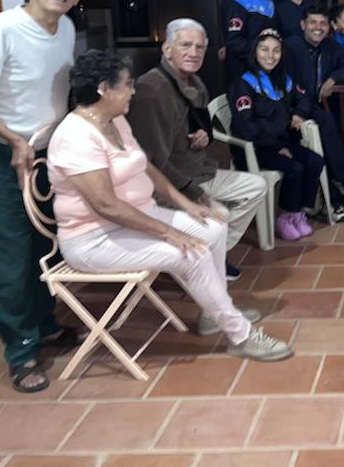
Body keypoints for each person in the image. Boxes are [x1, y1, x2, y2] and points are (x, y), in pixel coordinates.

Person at [48, 50, 291, 362]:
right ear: (102, 89)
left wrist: (186, 205)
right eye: (127, 85)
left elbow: (145, 166)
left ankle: (212, 313)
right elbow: (105, 205)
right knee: (192, 252)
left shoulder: (114, 119)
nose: (133, 91)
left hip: (137, 217)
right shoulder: (75, 137)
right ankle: (239, 333)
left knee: (213, 225)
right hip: (94, 237)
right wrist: (169, 233)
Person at [0, 0, 85, 392]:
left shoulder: (66, 28)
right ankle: (21, 351)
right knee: (8, 253)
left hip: (41, 152)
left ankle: (44, 324)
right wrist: (14, 138)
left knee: (43, 241)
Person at [128, 18, 267, 281]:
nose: (194, 52)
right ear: (167, 49)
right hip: (173, 183)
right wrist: (192, 192)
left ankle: (211, 252)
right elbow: (152, 161)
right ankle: (204, 262)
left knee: (256, 186)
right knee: (221, 216)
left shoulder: (194, 83)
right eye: (186, 45)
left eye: (200, 47)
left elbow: (197, 124)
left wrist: (204, 136)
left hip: (200, 169)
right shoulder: (152, 90)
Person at [229, 29, 325, 241]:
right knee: (295, 167)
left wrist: (299, 114)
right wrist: (275, 146)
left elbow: (304, 98)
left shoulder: (282, 79)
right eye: (264, 50)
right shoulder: (244, 83)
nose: (270, 56)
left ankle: (298, 212)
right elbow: (246, 127)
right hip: (253, 149)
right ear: (255, 52)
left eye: (276, 50)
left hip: (279, 143)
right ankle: (283, 216)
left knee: (315, 161)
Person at [284, 4, 344, 220]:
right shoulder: (289, 47)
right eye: (313, 22)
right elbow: (290, 88)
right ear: (302, 24)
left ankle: (333, 198)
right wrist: (300, 110)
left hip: (311, 107)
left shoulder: (330, 47)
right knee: (326, 120)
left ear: (329, 27)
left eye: (323, 23)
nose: (318, 28)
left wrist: (334, 78)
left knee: (330, 122)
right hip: (289, 109)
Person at [222, 0, 281, 81]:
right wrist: (262, 50)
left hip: (267, 69)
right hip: (244, 72)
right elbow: (233, 42)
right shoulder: (236, 0)